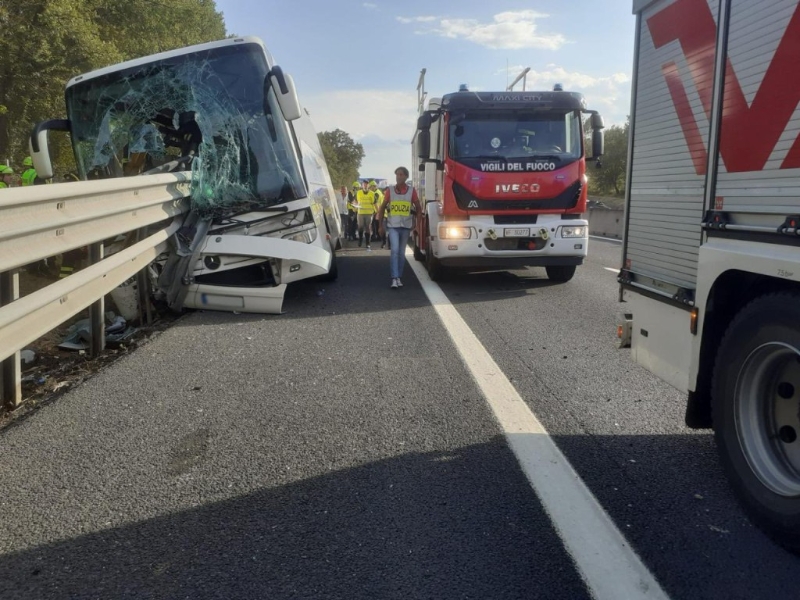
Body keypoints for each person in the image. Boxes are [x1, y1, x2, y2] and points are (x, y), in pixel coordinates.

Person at [378, 166, 421, 289]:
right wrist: (380, 225)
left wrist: (417, 225)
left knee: (401, 253)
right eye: (397, 174)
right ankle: (394, 277)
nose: (398, 177)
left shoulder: (411, 191)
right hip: (393, 226)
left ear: (406, 177)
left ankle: (399, 277)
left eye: (401, 174)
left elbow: (418, 208)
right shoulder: (390, 190)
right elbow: (382, 208)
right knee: (395, 250)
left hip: (406, 226)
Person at [356, 179, 379, 249]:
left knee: (368, 227)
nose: (365, 185)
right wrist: (354, 207)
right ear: (362, 185)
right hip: (360, 213)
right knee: (360, 227)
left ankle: (367, 243)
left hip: (369, 213)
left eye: (366, 184)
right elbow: (355, 201)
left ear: (368, 185)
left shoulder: (372, 193)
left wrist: (378, 212)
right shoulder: (358, 193)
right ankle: (360, 240)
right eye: (364, 184)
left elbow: (375, 203)